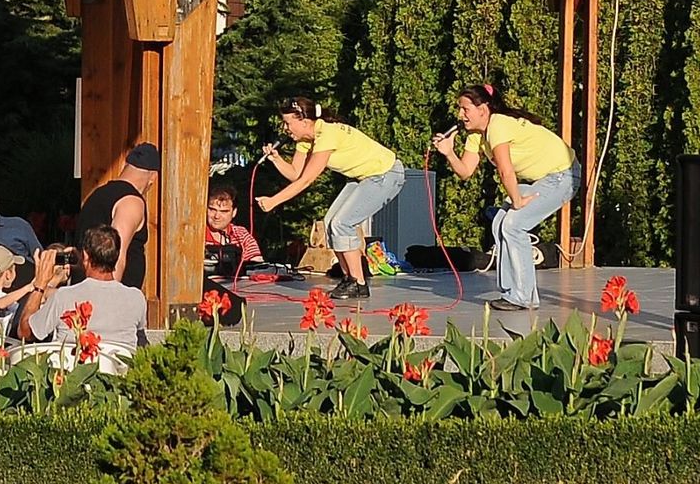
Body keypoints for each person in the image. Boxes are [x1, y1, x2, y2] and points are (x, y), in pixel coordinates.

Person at [434, 81, 579, 315]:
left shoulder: (498, 125)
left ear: (483, 109)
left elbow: (505, 171)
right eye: (460, 109)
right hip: (545, 179)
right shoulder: (476, 135)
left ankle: (523, 297)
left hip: (564, 175)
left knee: (514, 225)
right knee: (500, 222)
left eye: (465, 109)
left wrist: (518, 201)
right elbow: (465, 171)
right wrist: (449, 152)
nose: (460, 115)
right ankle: (512, 292)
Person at [256, 96, 405, 301]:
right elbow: (296, 174)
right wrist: (276, 159)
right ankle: (350, 280)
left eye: (288, 123)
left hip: (385, 174)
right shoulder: (305, 141)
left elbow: (307, 180)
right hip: (363, 177)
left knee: (342, 223)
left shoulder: (327, 135)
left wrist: (274, 201)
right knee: (330, 223)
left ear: (304, 121)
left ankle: (358, 282)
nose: (285, 128)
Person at [21, 227, 148, 353]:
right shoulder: (136, 298)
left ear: (85, 255)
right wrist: (83, 264)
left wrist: (40, 283)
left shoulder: (63, 297)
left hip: (75, 365)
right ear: (116, 256)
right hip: (119, 365)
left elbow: (25, 332)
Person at [75, 143, 159, 290]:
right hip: (108, 295)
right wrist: (111, 297)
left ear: (125, 166)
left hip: (85, 291)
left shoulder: (97, 195)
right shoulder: (131, 202)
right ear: (153, 177)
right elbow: (116, 253)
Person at [204, 184, 262, 283]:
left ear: (234, 212)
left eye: (224, 211)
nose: (217, 216)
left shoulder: (241, 234)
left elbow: (258, 268)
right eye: (212, 210)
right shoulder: (194, 234)